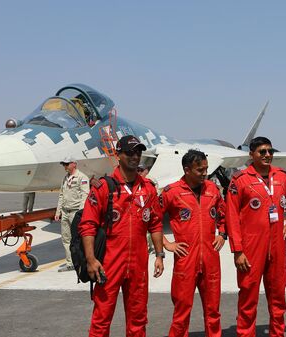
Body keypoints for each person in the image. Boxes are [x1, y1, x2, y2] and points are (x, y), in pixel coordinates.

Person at [78, 135, 165, 337]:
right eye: (129, 152)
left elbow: (155, 223)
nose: (135, 156)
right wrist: (91, 260)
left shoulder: (148, 189)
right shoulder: (103, 188)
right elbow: (88, 225)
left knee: (138, 319)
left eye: (138, 152)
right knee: (101, 319)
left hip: (138, 265)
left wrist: (159, 255)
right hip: (108, 263)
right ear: (118, 155)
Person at [225, 136, 286, 337]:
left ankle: (277, 333)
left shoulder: (282, 177)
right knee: (248, 296)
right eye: (262, 152)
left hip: (277, 247)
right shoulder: (240, 180)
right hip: (250, 248)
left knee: (278, 297)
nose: (267, 155)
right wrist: (237, 250)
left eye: (270, 151)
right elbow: (231, 217)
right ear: (252, 154)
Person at [160, 149, 226, 337]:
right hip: (185, 260)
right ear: (187, 170)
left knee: (213, 311)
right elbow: (152, 220)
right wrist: (167, 244)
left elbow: (224, 215)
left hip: (211, 260)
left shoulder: (212, 190)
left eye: (206, 169)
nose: (205, 173)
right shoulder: (171, 192)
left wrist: (222, 233)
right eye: (200, 170)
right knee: (182, 313)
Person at [55, 156, 90, 272]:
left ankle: (83, 262)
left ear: (74, 164)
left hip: (75, 212)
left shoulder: (82, 177)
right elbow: (61, 195)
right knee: (66, 238)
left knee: (78, 238)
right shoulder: (65, 178)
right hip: (65, 212)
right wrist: (58, 211)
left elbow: (85, 195)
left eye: (66, 164)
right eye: (63, 164)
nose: (64, 166)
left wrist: (81, 212)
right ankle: (70, 263)